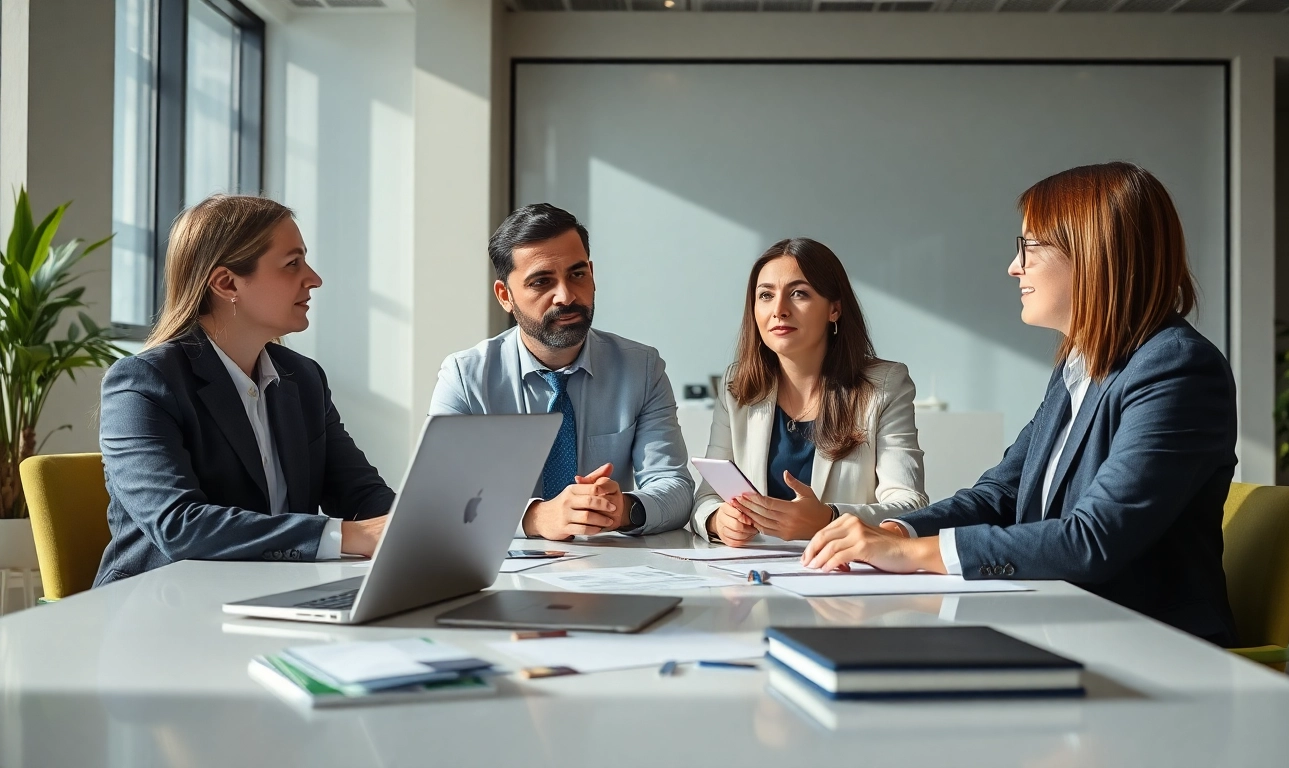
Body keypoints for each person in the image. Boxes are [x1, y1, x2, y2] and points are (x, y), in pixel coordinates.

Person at [802, 162, 1239, 647]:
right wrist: (896, 532)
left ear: (1093, 254)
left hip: (1147, 645)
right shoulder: (1078, 367)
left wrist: (913, 554)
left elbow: (1093, 540)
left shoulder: (1176, 368)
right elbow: (999, 495)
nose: (1015, 267)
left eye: (1029, 247)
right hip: (1061, 621)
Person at [94, 195, 393, 587]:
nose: (314, 279)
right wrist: (349, 535)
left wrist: (416, 527)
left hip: (276, 595)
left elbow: (361, 495)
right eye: (292, 264)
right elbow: (179, 525)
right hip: (161, 603)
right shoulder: (143, 383)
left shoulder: (304, 379)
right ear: (227, 283)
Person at [429, 203, 693, 541]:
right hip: (505, 564)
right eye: (541, 282)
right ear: (505, 296)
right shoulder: (465, 377)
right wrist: (537, 517)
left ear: (592, 275)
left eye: (577, 274)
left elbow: (675, 486)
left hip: (611, 562)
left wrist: (623, 509)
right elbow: (440, 497)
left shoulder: (641, 369)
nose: (566, 296)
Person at [692, 238, 927, 545]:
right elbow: (707, 497)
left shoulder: (885, 385)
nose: (779, 310)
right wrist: (718, 520)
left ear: (834, 309)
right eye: (766, 295)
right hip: (753, 567)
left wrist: (828, 519)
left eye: (798, 294)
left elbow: (911, 507)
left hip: (842, 567)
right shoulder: (737, 385)